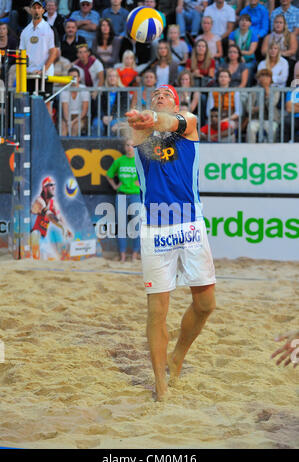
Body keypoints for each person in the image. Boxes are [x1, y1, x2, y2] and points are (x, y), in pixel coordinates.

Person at [125, 84, 216, 401]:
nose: (160, 96)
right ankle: (160, 387)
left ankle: (178, 356)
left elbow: (172, 122)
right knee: (157, 313)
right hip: (154, 228)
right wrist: (141, 122)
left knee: (206, 305)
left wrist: (152, 116)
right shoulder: (142, 136)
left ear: (176, 103)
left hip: (191, 224)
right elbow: (136, 137)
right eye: (155, 95)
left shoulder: (188, 124)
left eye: (165, 95)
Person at [106, 137, 141, 263]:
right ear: (125, 147)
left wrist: (141, 183)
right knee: (121, 226)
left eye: (132, 145)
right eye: (128, 145)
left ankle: (135, 254)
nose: (130, 147)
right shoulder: (120, 161)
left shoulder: (140, 161)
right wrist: (115, 186)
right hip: (121, 195)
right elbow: (109, 175)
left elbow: (150, 175)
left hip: (136, 196)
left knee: (137, 226)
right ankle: (122, 255)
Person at [19, 0, 57, 114]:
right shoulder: (25, 31)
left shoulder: (49, 29)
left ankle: (46, 131)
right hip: (29, 74)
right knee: (28, 106)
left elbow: (53, 52)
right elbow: (22, 53)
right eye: (34, 7)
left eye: (38, 8)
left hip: (45, 74)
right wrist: (25, 70)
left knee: (46, 104)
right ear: (30, 10)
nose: (36, 10)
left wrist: (42, 70)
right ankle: (31, 132)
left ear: (43, 10)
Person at [31, 176, 73, 260]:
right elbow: (50, 216)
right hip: (31, 235)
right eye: (51, 185)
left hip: (42, 238)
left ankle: (36, 259)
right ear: (44, 188)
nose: (53, 187)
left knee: (53, 260)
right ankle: (34, 258)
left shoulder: (53, 203)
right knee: (36, 234)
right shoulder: (39, 201)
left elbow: (59, 217)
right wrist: (62, 227)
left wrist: (67, 229)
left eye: (54, 185)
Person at [261, 13, 297, 85]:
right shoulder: (268, 37)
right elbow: (263, 51)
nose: (278, 24)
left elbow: (293, 51)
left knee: (289, 65)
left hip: (287, 59)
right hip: (271, 58)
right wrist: (272, 53)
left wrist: (279, 53)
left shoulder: (290, 35)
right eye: (276, 22)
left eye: (280, 22)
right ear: (273, 24)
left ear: (284, 25)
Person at [246, 68, 280, 142]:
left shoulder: (275, 90)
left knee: (272, 129)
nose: (264, 78)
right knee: (250, 128)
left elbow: (272, 104)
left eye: (267, 76)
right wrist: (255, 109)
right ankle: (250, 149)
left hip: (271, 119)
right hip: (256, 119)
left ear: (271, 79)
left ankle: (272, 150)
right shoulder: (253, 90)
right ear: (258, 78)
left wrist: (267, 91)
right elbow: (248, 108)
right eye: (262, 76)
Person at [91, 67, 127, 135]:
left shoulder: (123, 91)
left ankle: (111, 145)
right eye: (110, 76)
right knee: (97, 125)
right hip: (102, 116)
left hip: (118, 117)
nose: (112, 78)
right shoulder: (101, 91)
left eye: (114, 76)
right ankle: (96, 145)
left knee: (113, 125)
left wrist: (113, 116)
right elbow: (98, 107)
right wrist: (103, 117)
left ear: (117, 78)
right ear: (107, 78)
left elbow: (124, 108)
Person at [229, 14, 258, 84]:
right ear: (238, 22)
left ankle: (246, 90)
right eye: (242, 20)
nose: (244, 22)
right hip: (234, 58)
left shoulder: (253, 35)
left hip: (249, 60)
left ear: (250, 23)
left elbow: (251, 51)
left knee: (248, 67)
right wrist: (239, 56)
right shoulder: (233, 34)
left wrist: (238, 54)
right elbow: (231, 49)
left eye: (246, 21)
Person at [60, 66, 89, 136]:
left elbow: (84, 112)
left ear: (79, 78)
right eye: (71, 77)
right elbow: (65, 110)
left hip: (81, 117)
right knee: (63, 129)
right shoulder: (64, 90)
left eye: (75, 77)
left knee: (75, 128)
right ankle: (63, 147)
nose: (73, 79)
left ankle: (72, 146)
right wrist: (68, 121)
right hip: (67, 117)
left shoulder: (84, 89)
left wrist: (73, 122)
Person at [283, 61, 299, 142]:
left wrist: (295, 105)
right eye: (297, 76)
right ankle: (282, 147)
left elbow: (292, 106)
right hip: (295, 118)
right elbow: (289, 108)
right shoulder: (292, 89)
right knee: (286, 122)